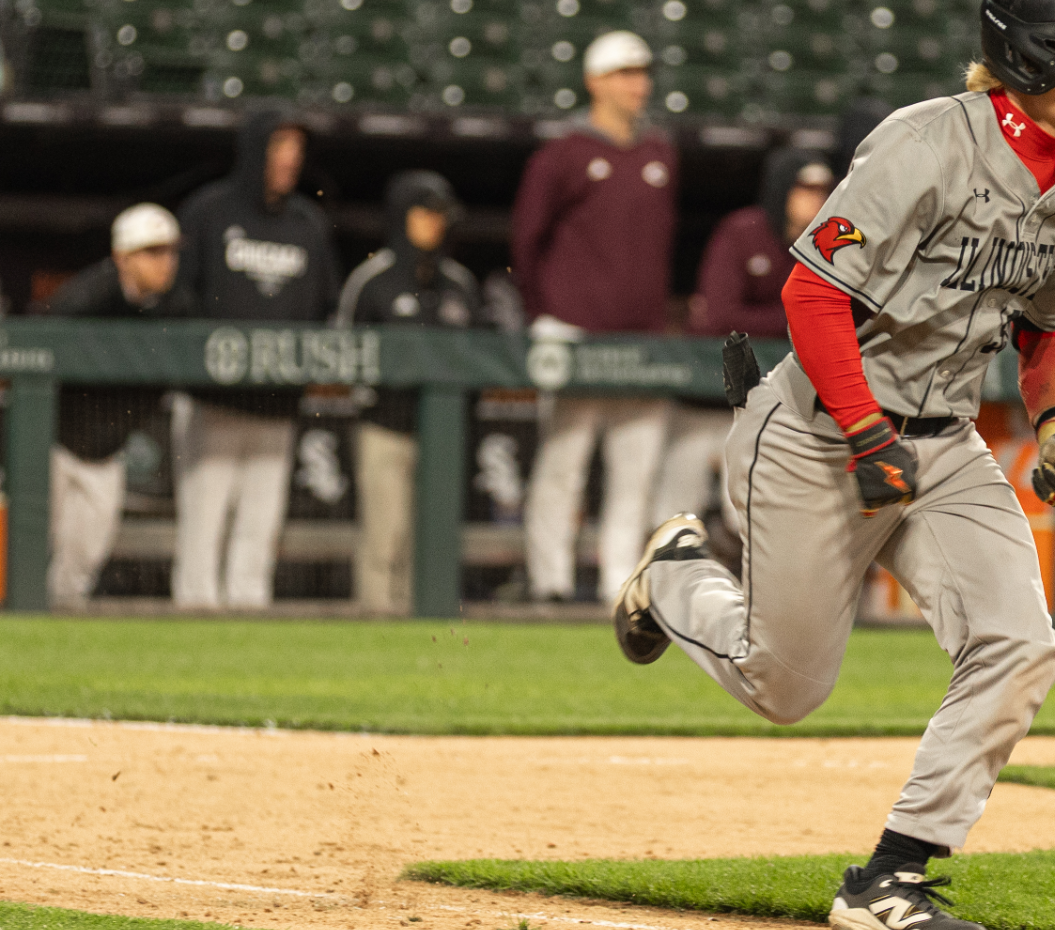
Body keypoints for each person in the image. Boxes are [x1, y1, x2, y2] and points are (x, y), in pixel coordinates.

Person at [612, 0, 1055, 930]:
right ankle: (677, 575)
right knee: (785, 688)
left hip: (944, 444)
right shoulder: (924, 143)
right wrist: (864, 434)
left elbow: (1049, 331)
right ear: (1028, 55)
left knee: (1021, 644)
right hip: (821, 430)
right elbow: (811, 296)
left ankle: (893, 875)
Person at [513, 30, 681, 603]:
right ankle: (550, 580)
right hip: (575, 333)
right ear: (594, 81)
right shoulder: (562, 154)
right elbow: (525, 242)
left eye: (642, 73)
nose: (639, 84)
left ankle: (619, 584)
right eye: (625, 73)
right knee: (563, 463)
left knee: (636, 473)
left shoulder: (660, 152)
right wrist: (544, 314)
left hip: (642, 340)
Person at [172, 104, 343, 609]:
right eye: (279, 146)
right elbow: (179, 297)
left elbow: (324, 308)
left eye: (296, 148)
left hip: (276, 401)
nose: (290, 158)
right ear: (254, 150)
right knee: (204, 517)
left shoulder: (307, 223)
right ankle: (194, 611)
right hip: (213, 398)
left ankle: (249, 610)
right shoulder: (209, 211)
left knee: (261, 520)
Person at [333, 171, 482, 615]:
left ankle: (424, 628)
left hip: (442, 437)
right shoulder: (372, 280)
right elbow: (344, 354)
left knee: (431, 540)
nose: (436, 224)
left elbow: (478, 359)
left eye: (442, 217)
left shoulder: (459, 283)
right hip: (384, 427)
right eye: (427, 214)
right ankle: (377, 622)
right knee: (385, 536)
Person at [665, 149, 835, 540]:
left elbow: (844, 317)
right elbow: (717, 316)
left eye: (823, 189)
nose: (815, 198)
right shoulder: (743, 231)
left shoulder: (828, 244)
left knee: (754, 516)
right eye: (805, 188)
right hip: (706, 397)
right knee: (677, 510)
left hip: (779, 405)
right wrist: (796, 320)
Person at [40, 204, 191, 607]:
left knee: (82, 563)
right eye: (153, 252)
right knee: (28, 554)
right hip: (52, 444)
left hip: (106, 451)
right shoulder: (84, 298)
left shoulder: (176, 309)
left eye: (171, 252)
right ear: (123, 257)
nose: (166, 263)